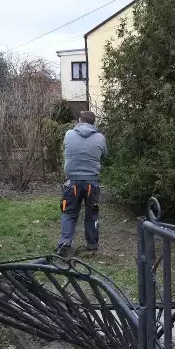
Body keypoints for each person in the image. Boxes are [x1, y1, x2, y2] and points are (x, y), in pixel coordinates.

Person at [56, 110, 108, 256]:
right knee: (92, 213)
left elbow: (65, 150)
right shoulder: (100, 138)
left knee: (69, 213)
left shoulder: (68, 134)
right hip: (92, 181)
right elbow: (104, 155)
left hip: (71, 181)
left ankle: (65, 243)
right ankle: (92, 244)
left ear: (79, 120)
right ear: (93, 123)